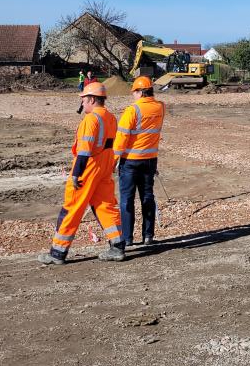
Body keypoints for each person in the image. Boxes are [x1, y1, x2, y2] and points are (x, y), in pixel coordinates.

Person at [38, 82, 126, 265]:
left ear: (92, 99)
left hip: (89, 167)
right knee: (106, 206)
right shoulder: (110, 117)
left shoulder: (91, 119)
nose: (82, 103)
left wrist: (76, 174)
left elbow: (84, 150)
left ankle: (57, 252)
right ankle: (117, 247)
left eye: (84, 100)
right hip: (105, 165)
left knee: (72, 207)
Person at [114, 75, 165, 247]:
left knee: (127, 200)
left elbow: (122, 137)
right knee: (147, 197)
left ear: (140, 92)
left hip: (130, 161)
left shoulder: (132, 110)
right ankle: (148, 236)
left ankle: (127, 238)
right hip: (150, 160)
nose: (133, 95)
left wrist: (113, 159)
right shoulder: (160, 107)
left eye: (134, 92)